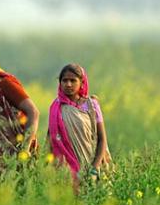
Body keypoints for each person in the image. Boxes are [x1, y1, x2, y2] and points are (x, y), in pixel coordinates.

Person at [48, 63, 112, 193]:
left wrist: (94, 168)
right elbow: (50, 139)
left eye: (73, 80)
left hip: (91, 164)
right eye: (64, 80)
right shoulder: (56, 107)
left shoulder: (91, 106)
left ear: (81, 82)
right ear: (60, 83)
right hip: (66, 169)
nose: (68, 84)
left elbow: (102, 139)